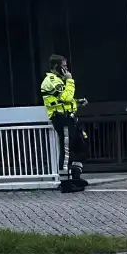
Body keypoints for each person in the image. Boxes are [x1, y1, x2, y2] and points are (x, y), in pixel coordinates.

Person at [40, 54, 89, 193]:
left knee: (81, 146)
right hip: (62, 119)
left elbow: (65, 100)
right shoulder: (51, 80)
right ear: (56, 67)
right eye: (64, 66)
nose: (66, 69)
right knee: (66, 149)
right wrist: (70, 81)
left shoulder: (59, 80)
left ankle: (75, 176)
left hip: (70, 118)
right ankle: (66, 182)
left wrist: (78, 102)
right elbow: (66, 97)